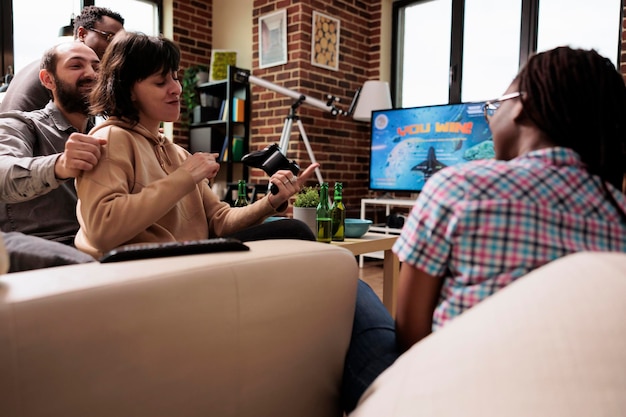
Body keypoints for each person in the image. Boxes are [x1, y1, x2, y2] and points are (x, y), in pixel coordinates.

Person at [74, 32, 398, 413]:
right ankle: (388, 388)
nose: (176, 88)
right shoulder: (111, 139)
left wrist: (272, 201)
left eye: (176, 77)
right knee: (315, 253)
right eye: (161, 81)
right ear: (128, 90)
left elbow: (222, 220)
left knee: (314, 252)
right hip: (156, 271)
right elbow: (102, 226)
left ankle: (375, 380)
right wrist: (184, 178)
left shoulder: (172, 148)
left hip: (196, 260)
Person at [393, 46, 626, 352]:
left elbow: (410, 333)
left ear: (521, 106)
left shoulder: (455, 188)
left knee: (357, 292)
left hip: (452, 388)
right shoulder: (618, 211)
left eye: (495, 106)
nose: (490, 119)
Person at [0, 41, 105, 271]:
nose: (91, 74)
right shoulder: (21, 124)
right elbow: (2, 172)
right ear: (48, 80)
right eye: (76, 66)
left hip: (97, 251)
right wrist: (60, 165)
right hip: (42, 256)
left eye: (97, 68)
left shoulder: (104, 136)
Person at [0, 5, 124, 112]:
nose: (116, 47)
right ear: (82, 34)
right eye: (109, 37)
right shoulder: (58, 71)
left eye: (120, 42)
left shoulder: (47, 63)